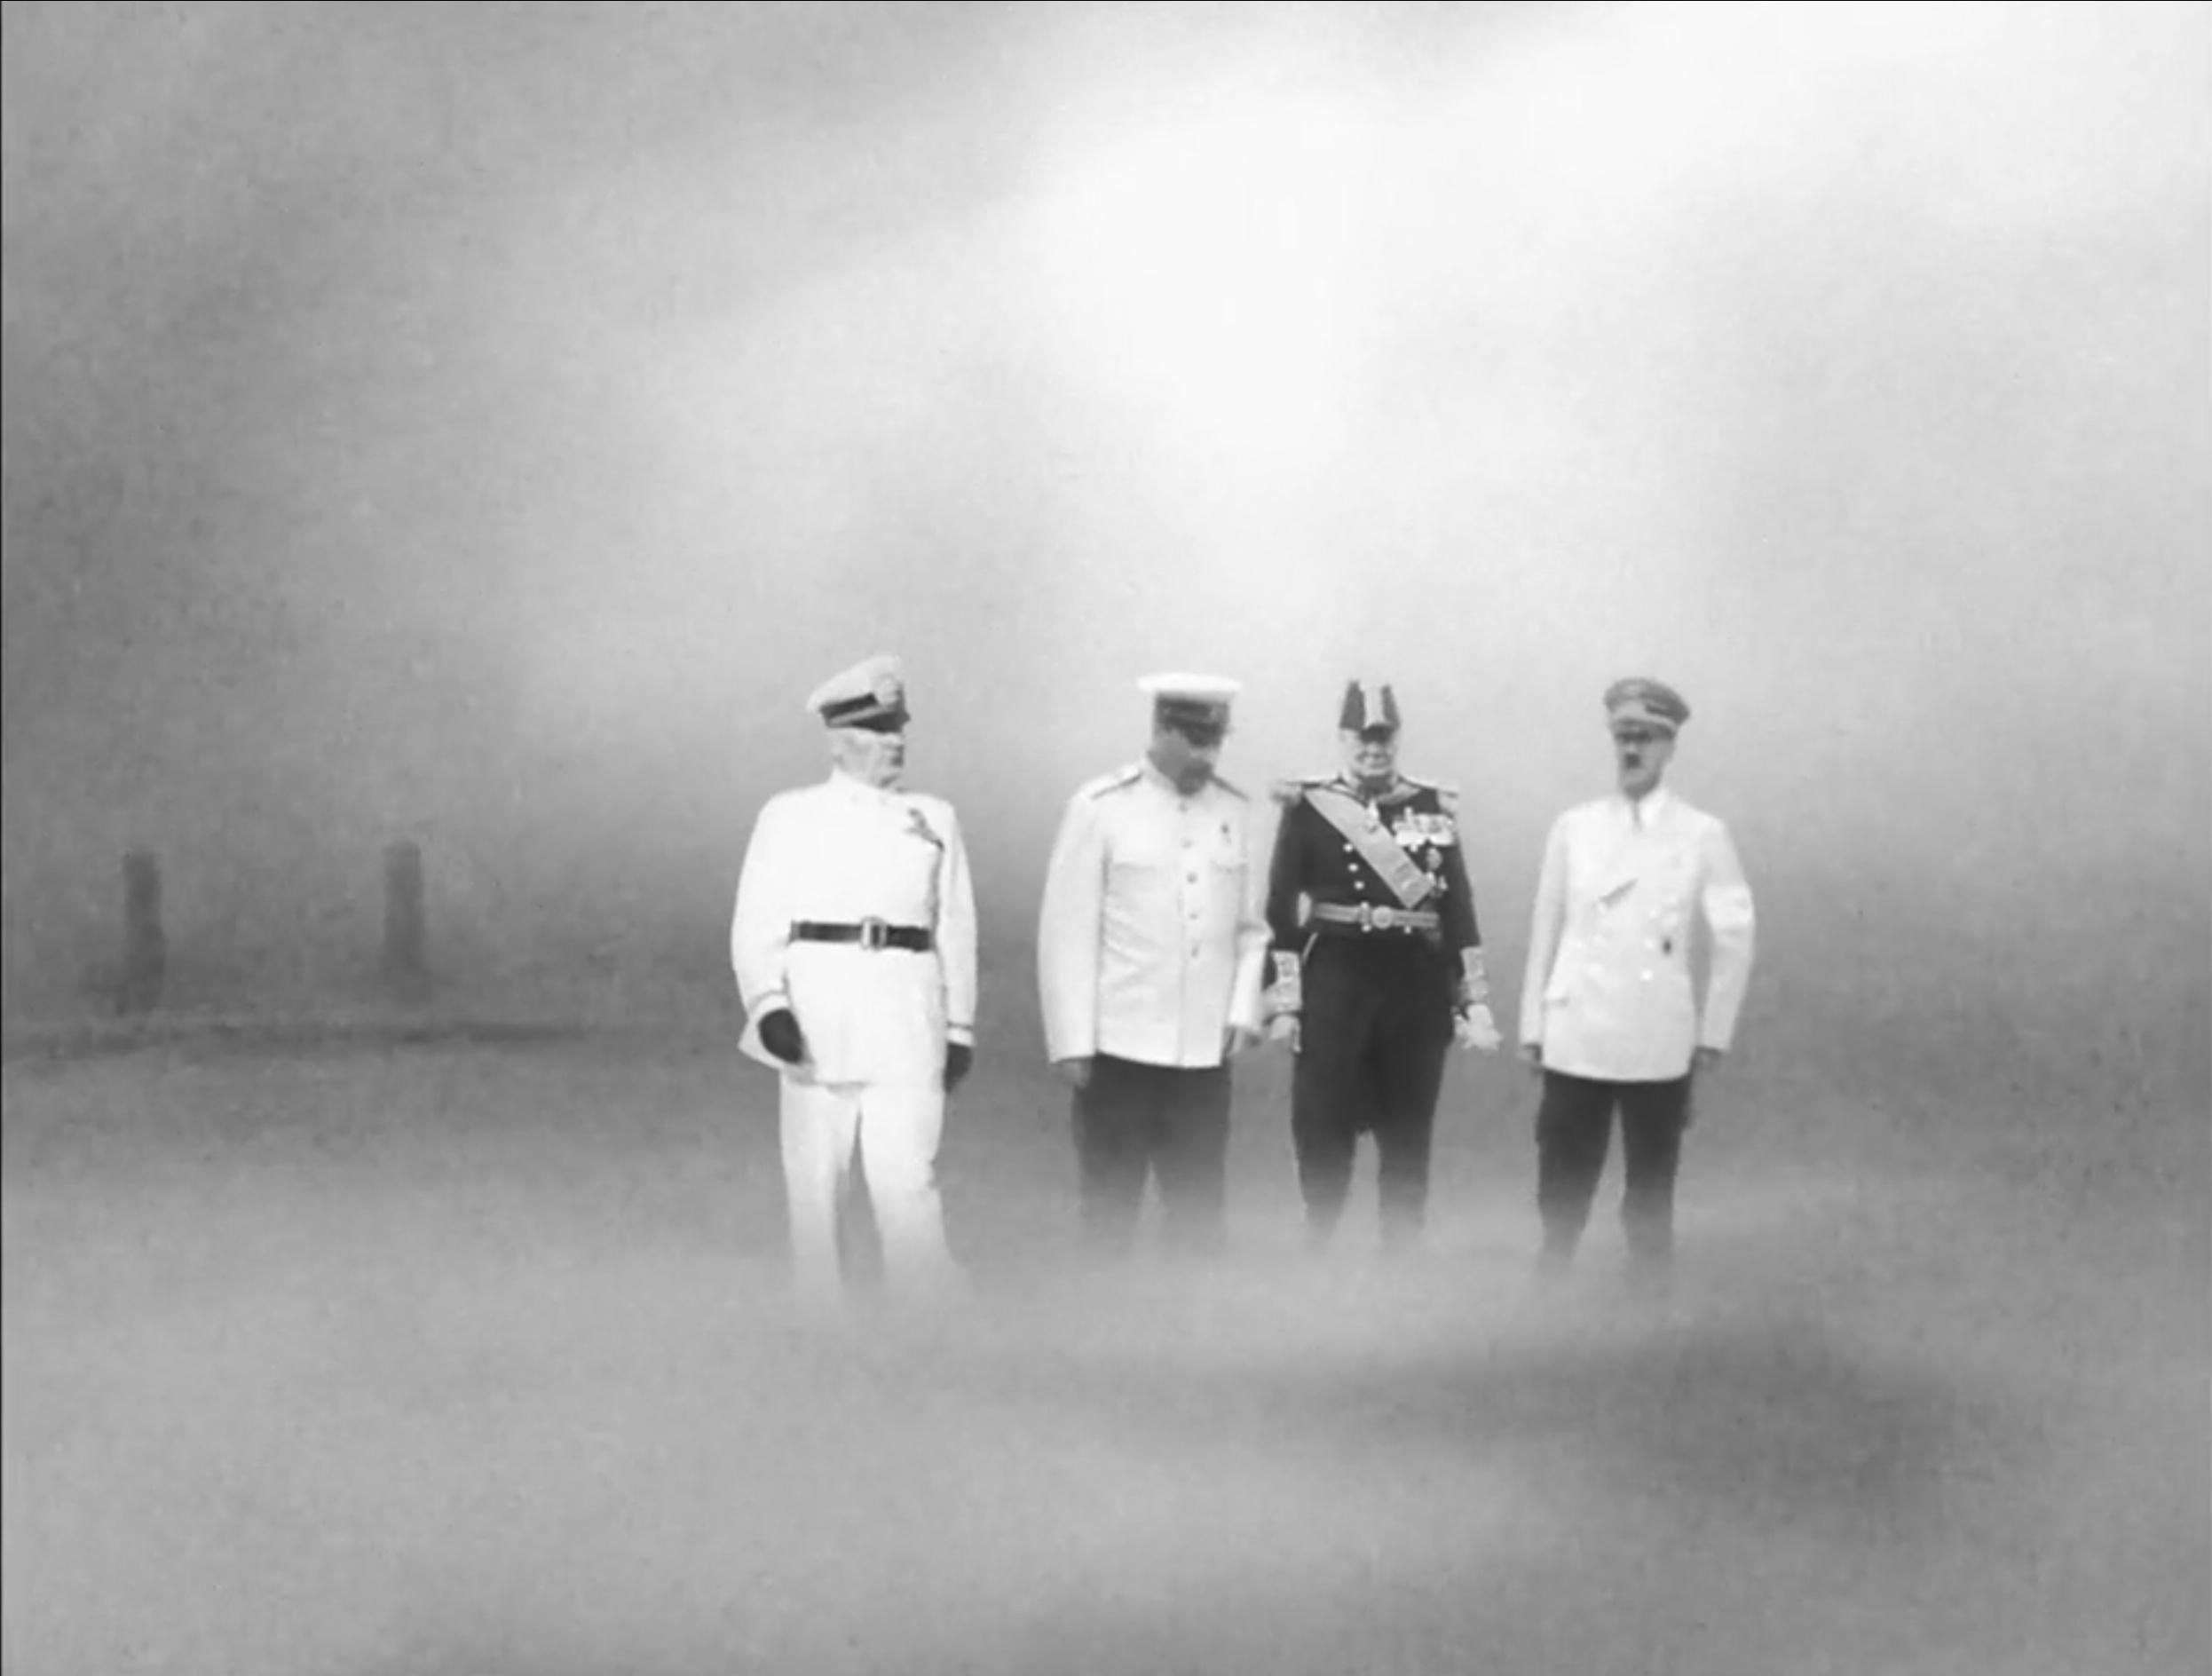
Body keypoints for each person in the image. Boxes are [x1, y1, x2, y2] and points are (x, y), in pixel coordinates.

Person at [729, 654, 978, 1309]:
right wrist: (768, 1004)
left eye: (899, 727)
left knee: (909, 1177)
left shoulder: (934, 818)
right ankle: (822, 1320)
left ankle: (929, 1317)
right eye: (879, 729)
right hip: (820, 1019)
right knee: (816, 1186)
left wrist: (959, 1028)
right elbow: (756, 920)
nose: (896, 741)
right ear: (840, 741)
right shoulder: (790, 816)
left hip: (908, 1018)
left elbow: (955, 928)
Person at [1517, 676, 1757, 1294]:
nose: (1632, 750)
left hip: (1656, 1029)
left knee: (1652, 1178)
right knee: (1563, 1169)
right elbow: (1546, 926)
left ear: (1669, 747)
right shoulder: (1574, 827)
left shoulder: (1702, 833)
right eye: (1623, 737)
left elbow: (1735, 936)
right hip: (1578, 1025)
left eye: (1645, 739)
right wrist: (1534, 1024)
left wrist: (1714, 1033)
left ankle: (1648, 1298)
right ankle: (1549, 1284)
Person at [1263, 681, 1503, 1255]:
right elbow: (1280, 911)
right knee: (1323, 1122)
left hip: (1414, 987)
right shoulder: (1308, 807)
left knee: (1409, 1127)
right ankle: (1318, 1244)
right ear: (1343, 739)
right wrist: (1286, 1001)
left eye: (1383, 739)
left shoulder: (1432, 807)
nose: (1374, 750)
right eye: (1362, 739)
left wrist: (1473, 999)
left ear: (1397, 740)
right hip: (1336, 983)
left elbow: (1458, 909)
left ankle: (1402, 1254)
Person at [1036, 673, 1270, 1259]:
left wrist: (1243, 1011)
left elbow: (1252, 929)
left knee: (1199, 1215)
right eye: (1194, 740)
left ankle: (1190, 1315)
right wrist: (1071, 1042)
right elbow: (1067, 934)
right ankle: (1103, 1314)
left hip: (1203, 1054)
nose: (1206, 755)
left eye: (1215, 741)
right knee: (1108, 1210)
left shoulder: (1235, 811)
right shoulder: (1101, 809)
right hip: (1120, 1048)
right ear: (1161, 729)